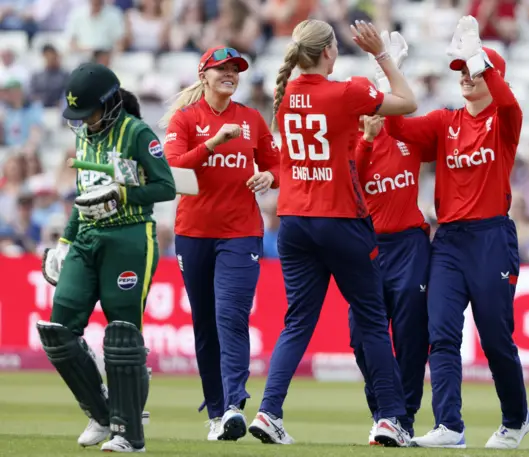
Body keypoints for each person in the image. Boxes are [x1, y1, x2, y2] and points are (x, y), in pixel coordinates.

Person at [247, 19, 418, 447]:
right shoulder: (347, 91)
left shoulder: (285, 97)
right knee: (373, 320)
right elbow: (408, 102)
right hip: (340, 219)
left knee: (297, 322)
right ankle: (391, 418)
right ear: (328, 52)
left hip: (293, 222)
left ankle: (269, 411)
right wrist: (381, 55)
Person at [384, 16, 529, 449]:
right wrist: (390, 73)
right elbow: (397, 128)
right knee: (442, 333)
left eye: (474, 71)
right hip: (448, 240)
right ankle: (449, 425)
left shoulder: (505, 121)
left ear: (493, 76)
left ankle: (516, 417)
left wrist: (477, 52)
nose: (466, 77)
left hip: (491, 239)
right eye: (462, 71)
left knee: (494, 339)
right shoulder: (444, 121)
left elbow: (507, 103)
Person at [38, 62, 177, 453]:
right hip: (86, 238)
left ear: (110, 104)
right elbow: (83, 195)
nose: (84, 122)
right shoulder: (85, 136)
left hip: (130, 236)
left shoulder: (136, 132)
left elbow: (166, 186)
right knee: (58, 331)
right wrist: (65, 241)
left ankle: (129, 434)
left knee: (121, 333)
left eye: (89, 112)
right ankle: (103, 415)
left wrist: (124, 194)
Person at [160, 46, 280, 442]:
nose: (230, 74)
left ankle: (233, 406)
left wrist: (269, 178)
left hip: (241, 232)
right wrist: (213, 142)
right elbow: (174, 169)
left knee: (230, 315)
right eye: (221, 69)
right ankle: (216, 413)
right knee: (205, 325)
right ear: (204, 75)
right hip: (193, 233)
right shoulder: (186, 118)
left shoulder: (251, 119)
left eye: (235, 69)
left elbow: (278, 164)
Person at [352, 111, 433, 446]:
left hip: (409, 244)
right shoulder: (347, 141)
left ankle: (403, 418)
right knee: (360, 339)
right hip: (366, 246)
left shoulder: (405, 136)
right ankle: (383, 413)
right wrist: (368, 139)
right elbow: (351, 177)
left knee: (410, 337)